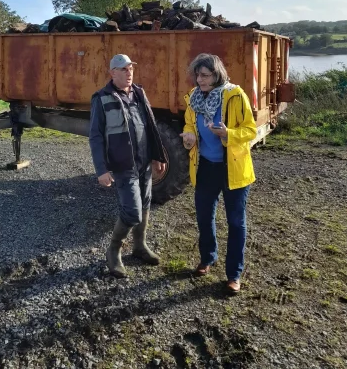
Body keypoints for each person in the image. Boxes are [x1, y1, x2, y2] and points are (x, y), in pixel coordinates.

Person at [180, 53, 257, 293]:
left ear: (217, 74)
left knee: (236, 223)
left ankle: (234, 275)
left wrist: (228, 134)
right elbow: (189, 123)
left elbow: (250, 130)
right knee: (204, 217)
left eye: (205, 75)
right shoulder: (194, 97)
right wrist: (189, 134)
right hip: (205, 167)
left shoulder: (234, 95)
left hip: (232, 170)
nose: (199, 80)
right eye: (197, 75)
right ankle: (207, 258)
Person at [89, 54, 167, 278]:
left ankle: (139, 247)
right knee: (132, 212)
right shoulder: (102, 98)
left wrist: (158, 155)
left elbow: (151, 126)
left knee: (145, 204)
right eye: (123, 69)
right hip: (124, 165)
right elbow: (95, 136)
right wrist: (101, 169)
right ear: (112, 72)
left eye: (131, 68)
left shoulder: (139, 93)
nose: (129, 72)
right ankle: (113, 252)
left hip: (144, 162)